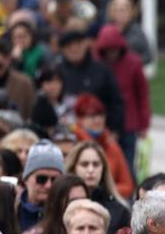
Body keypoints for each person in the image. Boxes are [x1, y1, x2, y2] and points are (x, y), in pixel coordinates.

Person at [94, 25, 149, 176]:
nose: (112, 53)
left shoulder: (133, 63)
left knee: (127, 166)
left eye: (115, 49)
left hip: (129, 124)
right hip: (102, 124)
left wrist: (144, 124)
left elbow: (142, 94)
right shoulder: (97, 64)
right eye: (108, 50)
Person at [54, 28, 125, 136]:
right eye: (69, 46)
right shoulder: (56, 72)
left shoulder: (101, 70)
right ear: (63, 50)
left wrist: (113, 129)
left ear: (86, 44)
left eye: (78, 44)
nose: (74, 49)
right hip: (65, 134)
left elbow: (116, 102)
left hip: (99, 133)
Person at [70, 92, 134, 198]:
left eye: (101, 114)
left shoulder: (112, 146)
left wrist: (104, 192)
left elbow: (127, 185)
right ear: (79, 119)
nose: (97, 120)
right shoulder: (71, 144)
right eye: (91, 115)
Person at [66, 140, 130, 234]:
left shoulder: (120, 211)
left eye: (96, 164)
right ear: (73, 168)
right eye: (84, 164)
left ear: (103, 169)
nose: (91, 170)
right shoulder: (60, 204)